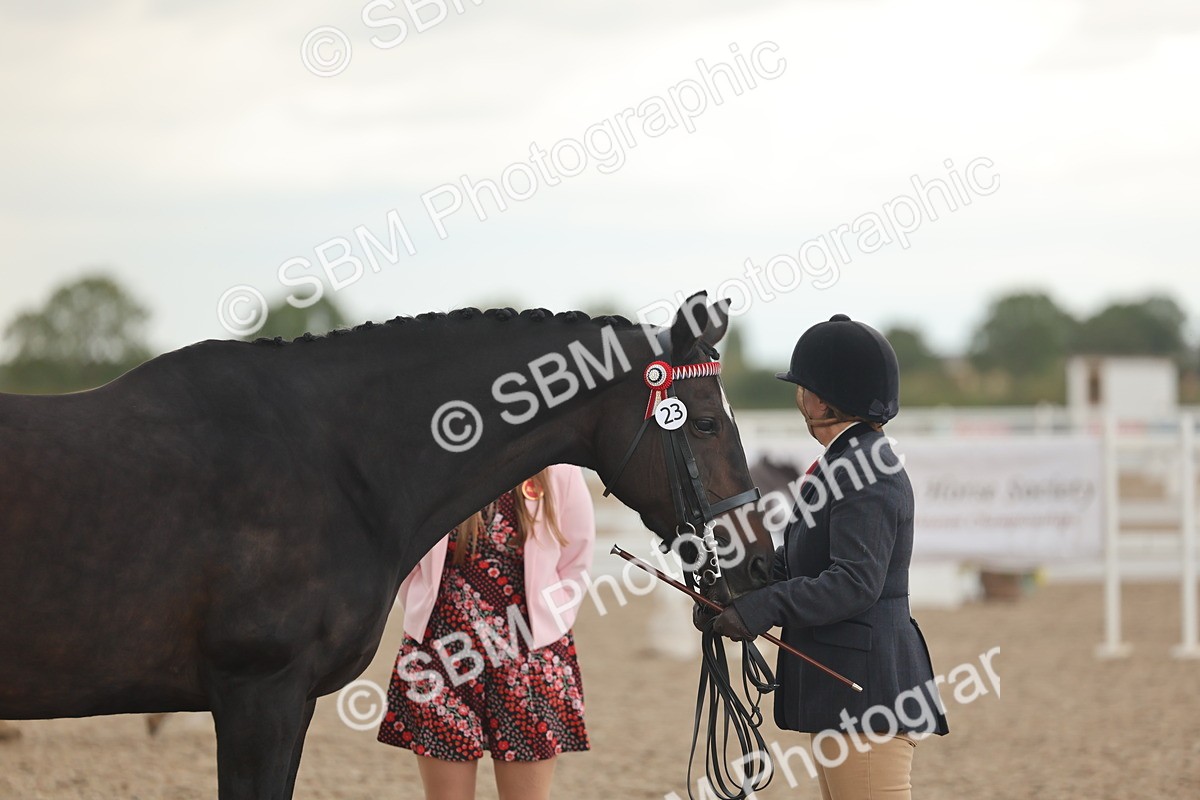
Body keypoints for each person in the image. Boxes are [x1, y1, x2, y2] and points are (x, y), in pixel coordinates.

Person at [699, 313, 949, 800]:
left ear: (822, 399)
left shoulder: (866, 471)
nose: (800, 401)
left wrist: (761, 609)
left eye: (804, 389)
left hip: (867, 691)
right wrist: (733, 589)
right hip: (843, 689)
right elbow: (802, 564)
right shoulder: (844, 463)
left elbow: (855, 582)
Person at [378, 464, 595, 800]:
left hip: (531, 661)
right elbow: (403, 556)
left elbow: (577, 559)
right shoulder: (439, 462)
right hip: (442, 657)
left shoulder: (558, 468)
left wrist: (549, 622)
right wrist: (421, 605)